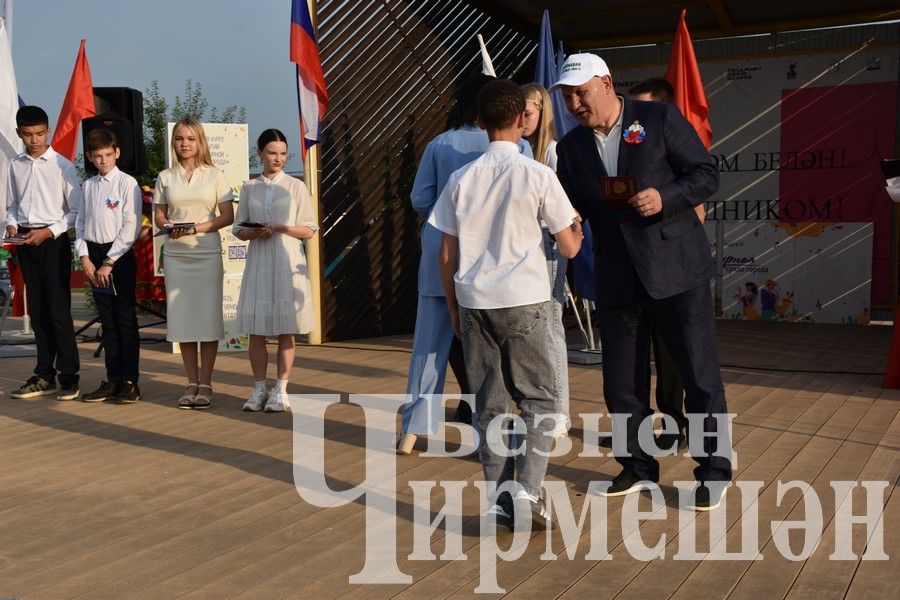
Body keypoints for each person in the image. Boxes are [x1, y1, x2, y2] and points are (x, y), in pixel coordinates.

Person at [553, 53, 732, 511]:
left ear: (607, 83)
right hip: (616, 277)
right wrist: (568, 216)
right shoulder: (571, 148)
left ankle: (714, 470)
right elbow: (572, 203)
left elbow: (705, 174)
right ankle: (636, 465)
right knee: (621, 384)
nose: (574, 104)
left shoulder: (658, 117)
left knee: (699, 376)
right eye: (567, 96)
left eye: (581, 93)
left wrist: (666, 196)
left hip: (677, 271)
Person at [429, 79, 582, 529]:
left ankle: (500, 497)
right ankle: (528, 494)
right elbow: (569, 248)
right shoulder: (538, 174)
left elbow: (445, 255)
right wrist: (576, 228)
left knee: (490, 404)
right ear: (521, 122)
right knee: (538, 400)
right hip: (527, 299)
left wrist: (455, 309)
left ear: (480, 123)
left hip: (475, 302)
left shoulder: (461, 178)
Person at [398, 73, 532, 454]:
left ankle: (414, 429)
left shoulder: (440, 144)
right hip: (490, 257)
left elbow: (420, 198)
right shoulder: (517, 149)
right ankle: (487, 429)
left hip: (441, 247)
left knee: (428, 346)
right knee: (488, 352)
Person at [233, 129, 317, 413]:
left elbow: (309, 229)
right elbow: (238, 229)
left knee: (286, 329)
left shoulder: (296, 186)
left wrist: (280, 228)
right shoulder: (248, 188)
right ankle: (259, 389)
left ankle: (281, 389)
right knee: (256, 331)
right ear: (259, 154)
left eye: (282, 153)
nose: (278, 158)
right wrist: (254, 232)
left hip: (286, 260)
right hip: (259, 261)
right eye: (272, 153)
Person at [154, 118, 234, 410]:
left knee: (207, 319)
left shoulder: (216, 175)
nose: (185, 144)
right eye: (179, 139)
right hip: (176, 255)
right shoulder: (164, 176)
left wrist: (196, 228)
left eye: (190, 138)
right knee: (185, 320)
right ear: (174, 143)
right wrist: (169, 224)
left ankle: (207, 383)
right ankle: (190, 382)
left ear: (200, 141)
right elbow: (159, 216)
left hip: (206, 253)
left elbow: (227, 216)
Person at [5, 105, 82, 401]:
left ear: (47, 131)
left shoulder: (63, 165)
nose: (34, 140)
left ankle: (69, 376)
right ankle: (44, 375)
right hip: (24, 241)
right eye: (28, 135)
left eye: (39, 133)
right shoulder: (15, 165)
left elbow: (75, 212)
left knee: (58, 310)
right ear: (19, 134)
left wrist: (49, 231)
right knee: (37, 312)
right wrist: (12, 225)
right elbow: (12, 205)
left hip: (53, 241)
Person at [75, 128, 143, 404]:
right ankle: (113, 378)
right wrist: (84, 258)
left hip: (119, 256)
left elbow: (131, 225)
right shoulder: (88, 186)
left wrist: (110, 261)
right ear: (90, 157)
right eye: (97, 156)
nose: (103, 161)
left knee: (125, 319)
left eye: (107, 155)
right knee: (108, 321)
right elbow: (80, 223)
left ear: (116, 153)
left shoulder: (128, 184)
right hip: (94, 256)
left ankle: (130, 381)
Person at [521, 82, 570, 437]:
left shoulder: (553, 153)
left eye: (529, 113)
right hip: (523, 249)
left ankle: (559, 412)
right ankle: (536, 406)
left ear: (543, 114)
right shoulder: (517, 152)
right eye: (519, 113)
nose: (522, 119)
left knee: (551, 327)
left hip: (550, 246)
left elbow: (564, 210)